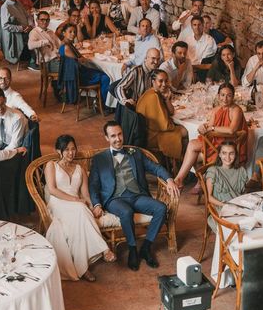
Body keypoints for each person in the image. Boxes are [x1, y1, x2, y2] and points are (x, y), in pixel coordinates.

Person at [89, 122, 179, 270]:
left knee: (161, 208)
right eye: (113, 136)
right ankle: (132, 249)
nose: (118, 139)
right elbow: (93, 185)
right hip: (114, 199)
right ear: (106, 138)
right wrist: (97, 204)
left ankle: (146, 247)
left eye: (120, 134)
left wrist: (169, 179)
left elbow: (155, 167)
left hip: (137, 195)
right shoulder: (99, 159)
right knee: (126, 212)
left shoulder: (135, 153)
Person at [45, 135, 116, 281]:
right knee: (80, 209)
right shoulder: (51, 165)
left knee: (80, 216)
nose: (71, 153)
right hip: (58, 202)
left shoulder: (80, 169)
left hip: (77, 206)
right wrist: (76, 200)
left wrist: (94, 206)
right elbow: (52, 189)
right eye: (66, 150)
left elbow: (86, 195)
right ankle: (104, 249)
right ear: (59, 151)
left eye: (73, 149)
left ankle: (82, 268)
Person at [175, 83, 249, 188]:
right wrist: (203, 128)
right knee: (192, 147)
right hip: (215, 143)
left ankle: (185, 180)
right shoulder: (216, 110)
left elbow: (232, 130)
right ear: (218, 95)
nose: (225, 98)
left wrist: (212, 128)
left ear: (233, 96)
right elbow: (208, 129)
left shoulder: (236, 110)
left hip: (229, 146)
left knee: (192, 154)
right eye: (222, 95)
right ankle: (184, 180)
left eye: (229, 95)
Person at [136, 70, 188, 160]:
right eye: (160, 81)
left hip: (154, 130)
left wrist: (167, 99)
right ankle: (180, 163)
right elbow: (164, 126)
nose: (164, 84)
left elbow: (171, 112)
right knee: (185, 132)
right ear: (153, 82)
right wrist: (174, 126)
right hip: (152, 136)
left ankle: (179, 163)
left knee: (183, 131)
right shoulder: (153, 97)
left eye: (166, 81)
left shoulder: (156, 93)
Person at [58, 23, 110, 107]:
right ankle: (104, 104)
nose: (73, 34)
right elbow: (81, 60)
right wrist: (86, 57)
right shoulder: (66, 47)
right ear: (64, 33)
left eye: (74, 32)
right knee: (106, 77)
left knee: (101, 72)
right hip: (77, 76)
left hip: (76, 72)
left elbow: (79, 57)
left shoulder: (67, 44)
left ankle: (98, 100)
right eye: (70, 32)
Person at [205, 141, 248, 208]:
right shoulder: (213, 171)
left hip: (239, 207)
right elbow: (209, 197)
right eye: (224, 153)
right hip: (221, 209)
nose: (227, 157)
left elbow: (244, 194)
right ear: (219, 154)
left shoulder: (241, 170)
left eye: (231, 153)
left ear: (235, 155)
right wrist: (226, 206)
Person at [0, 0, 33, 64]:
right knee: (36, 36)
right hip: (17, 33)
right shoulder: (5, 7)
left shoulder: (17, 2)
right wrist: (21, 28)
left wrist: (30, 25)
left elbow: (28, 16)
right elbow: (5, 26)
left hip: (27, 28)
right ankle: (33, 60)